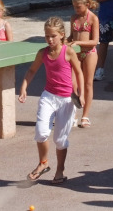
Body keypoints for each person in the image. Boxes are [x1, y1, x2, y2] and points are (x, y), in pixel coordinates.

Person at [19, 17, 84, 184]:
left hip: (66, 100)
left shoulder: (68, 52)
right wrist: (24, 87)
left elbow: (79, 73)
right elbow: (32, 71)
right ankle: (43, 163)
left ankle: (60, 171)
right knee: (41, 133)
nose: (49, 39)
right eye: (47, 36)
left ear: (62, 35)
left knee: (60, 140)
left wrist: (81, 93)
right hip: (48, 96)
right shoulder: (43, 53)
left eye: (53, 36)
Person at [69, 0, 99, 128]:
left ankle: (85, 115)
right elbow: (71, 36)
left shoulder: (93, 18)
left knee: (87, 84)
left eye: (78, 6)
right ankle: (72, 114)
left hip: (89, 54)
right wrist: (64, 41)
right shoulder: (73, 18)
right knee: (72, 84)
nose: (76, 9)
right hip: (75, 54)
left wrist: (79, 43)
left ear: (87, 4)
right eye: (75, 6)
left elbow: (94, 41)